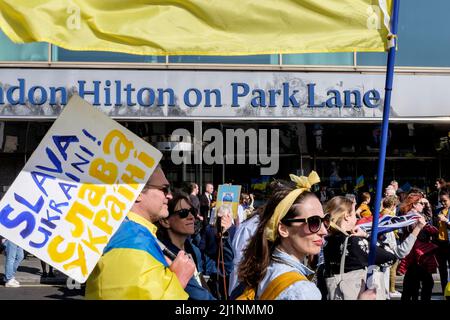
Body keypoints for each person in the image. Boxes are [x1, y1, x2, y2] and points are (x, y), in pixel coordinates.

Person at [235, 172, 376, 300]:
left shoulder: (264, 268)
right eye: (314, 222)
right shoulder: (302, 291)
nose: (324, 231)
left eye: (325, 221)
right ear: (283, 229)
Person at [85, 165, 196, 300]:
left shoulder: (134, 234)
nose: (169, 195)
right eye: (164, 189)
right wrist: (178, 281)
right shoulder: (131, 240)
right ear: (137, 193)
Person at [323, 196, 396, 300]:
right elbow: (391, 257)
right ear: (346, 216)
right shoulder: (354, 242)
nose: (356, 218)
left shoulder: (327, 242)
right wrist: (367, 236)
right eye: (353, 214)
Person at [157, 192, 219, 300]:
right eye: (183, 213)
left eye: (193, 212)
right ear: (165, 221)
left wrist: (223, 236)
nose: (191, 217)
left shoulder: (193, 249)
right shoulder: (163, 256)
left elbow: (222, 269)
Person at [398, 193, 439, 301]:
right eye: (421, 203)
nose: (423, 205)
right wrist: (428, 229)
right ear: (414, 204)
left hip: (415, 252)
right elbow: (418, 232)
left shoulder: (413, 214)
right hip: (417, 252)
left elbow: (428, 217)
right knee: (425, 282)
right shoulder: (412, 216)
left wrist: (427, 206)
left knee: (412, 282)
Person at [200, 204, 236, 299]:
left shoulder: (235, 231)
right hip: (215, 267)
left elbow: (202, 247)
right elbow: (202, 247)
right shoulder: (236, 230)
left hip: (224, 267)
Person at [433, 187, 450, 295]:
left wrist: (447, 220)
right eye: (441, 201)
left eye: (445, 200)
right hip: (440, 244)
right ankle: (445, 291)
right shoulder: (437, 211)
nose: (443, 203)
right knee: (442, 270)